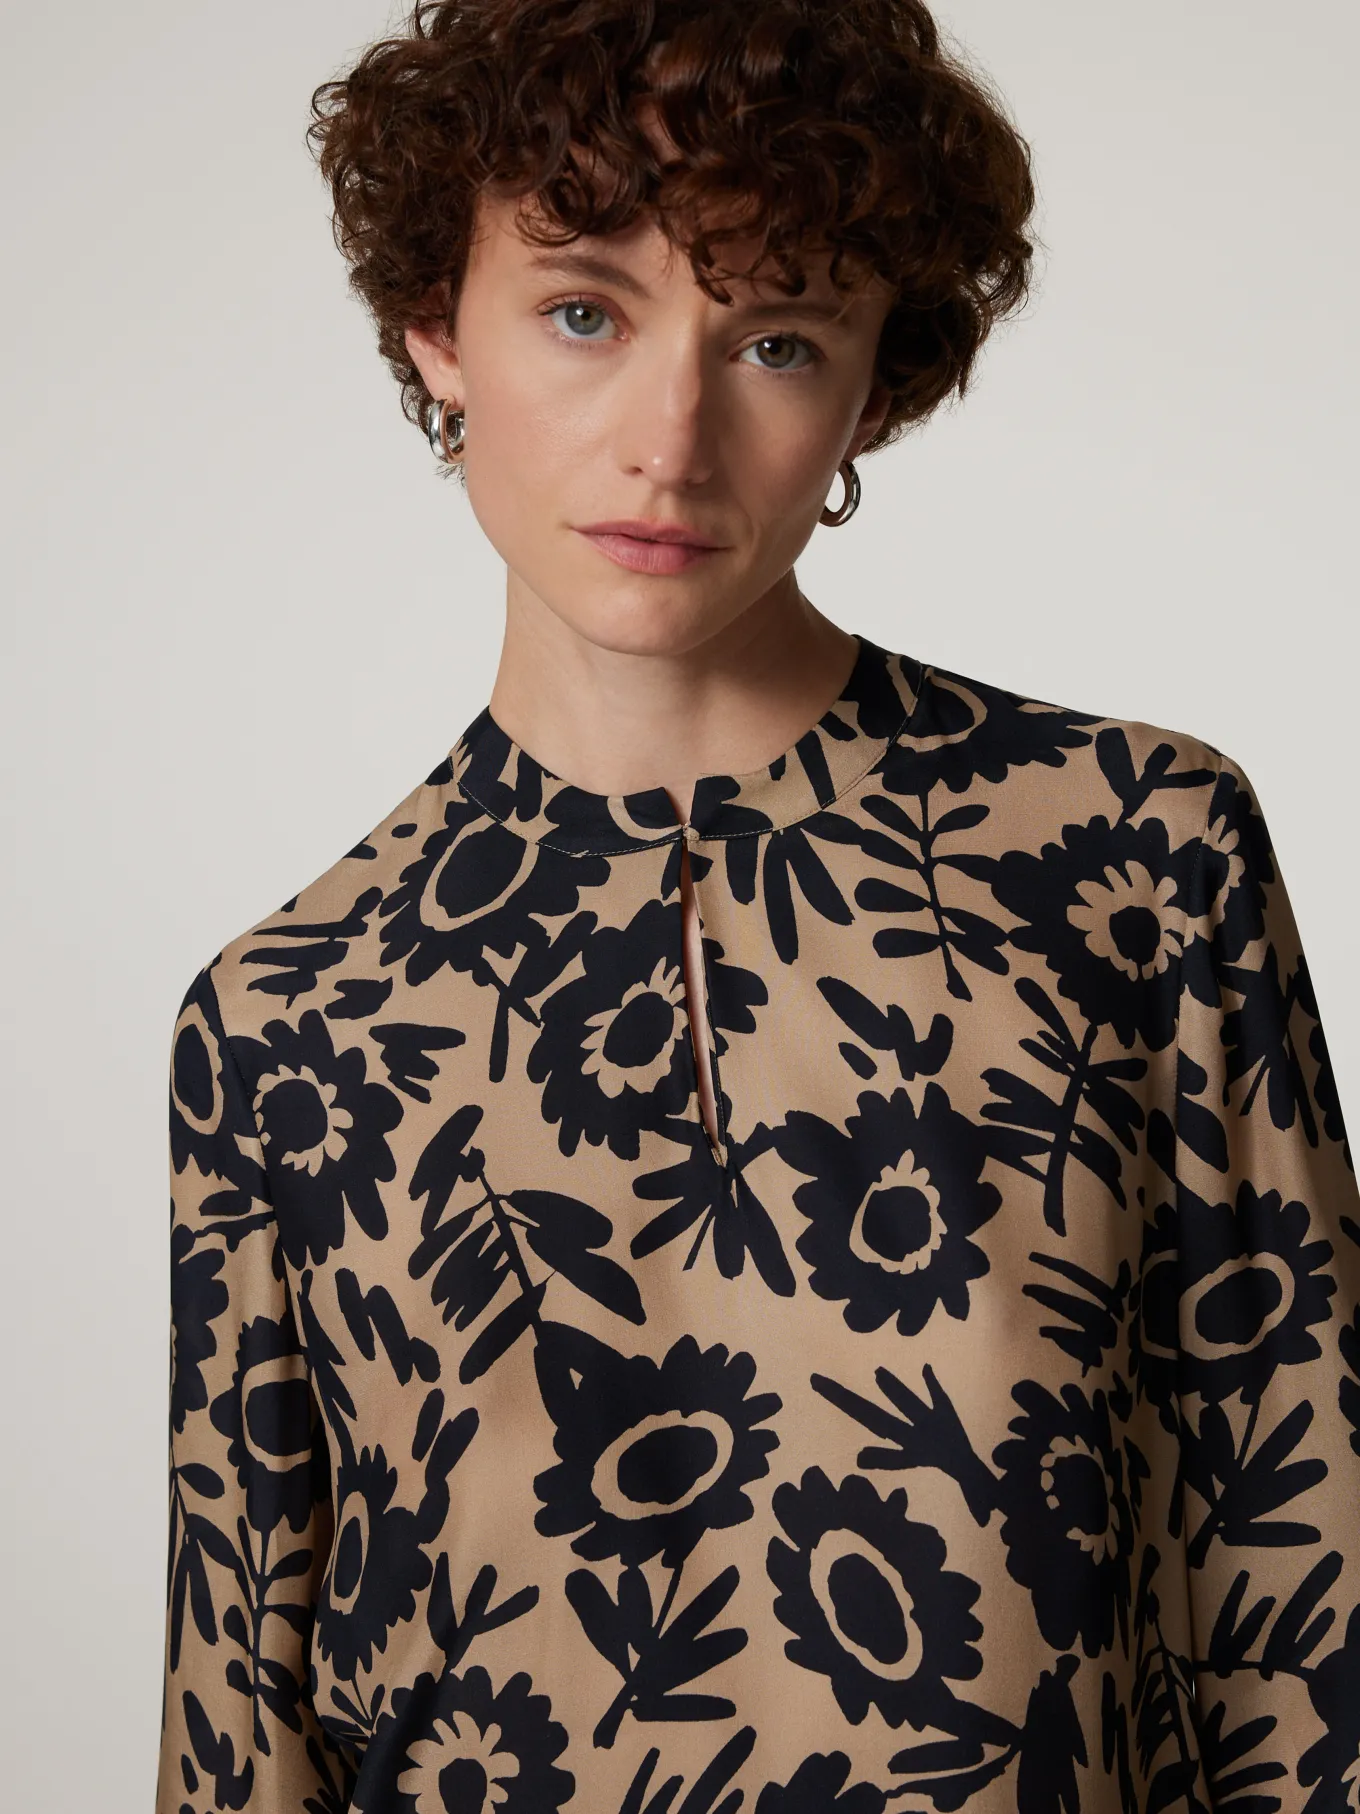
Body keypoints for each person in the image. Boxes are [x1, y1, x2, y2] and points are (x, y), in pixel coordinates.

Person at [155, 1, 1360, 1809]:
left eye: (778, 339)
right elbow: (241, 1722)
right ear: (435, 327)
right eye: (584, 312)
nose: (673, 438)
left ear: (872, 388)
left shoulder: (1134, 858)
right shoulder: (285, 1022)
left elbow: (1309, 1605)